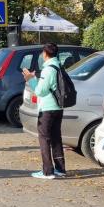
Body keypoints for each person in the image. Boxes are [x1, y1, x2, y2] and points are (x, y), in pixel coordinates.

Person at [22, 43, 66, 179]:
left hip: (47, 108)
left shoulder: (48, 69)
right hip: (58, 107)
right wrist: (35, 78)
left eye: (42, 53)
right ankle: (60, 168)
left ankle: (48, 171)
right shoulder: (58, 66)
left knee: (44, 139)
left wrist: (30, 79)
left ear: (45, 54)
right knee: (56, 138)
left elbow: (40, 91)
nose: (42, 55)